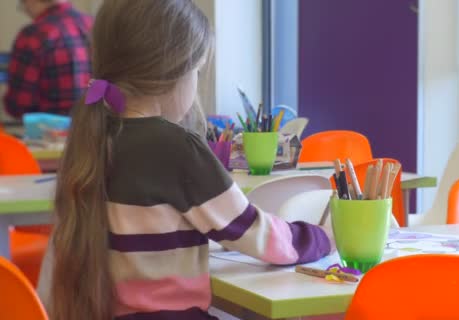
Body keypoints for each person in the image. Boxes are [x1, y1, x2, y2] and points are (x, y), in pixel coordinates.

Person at [36, 1, 331, 320]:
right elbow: (258, 236)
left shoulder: (92, 137)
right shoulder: (177, 148)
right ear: (173, 73)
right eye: (197, 71)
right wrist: (321, 237)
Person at [3, 0, 92, 119]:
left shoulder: (34, 34)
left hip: (50, 132)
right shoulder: (94, 24)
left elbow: (19, 104)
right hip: (98, 129)